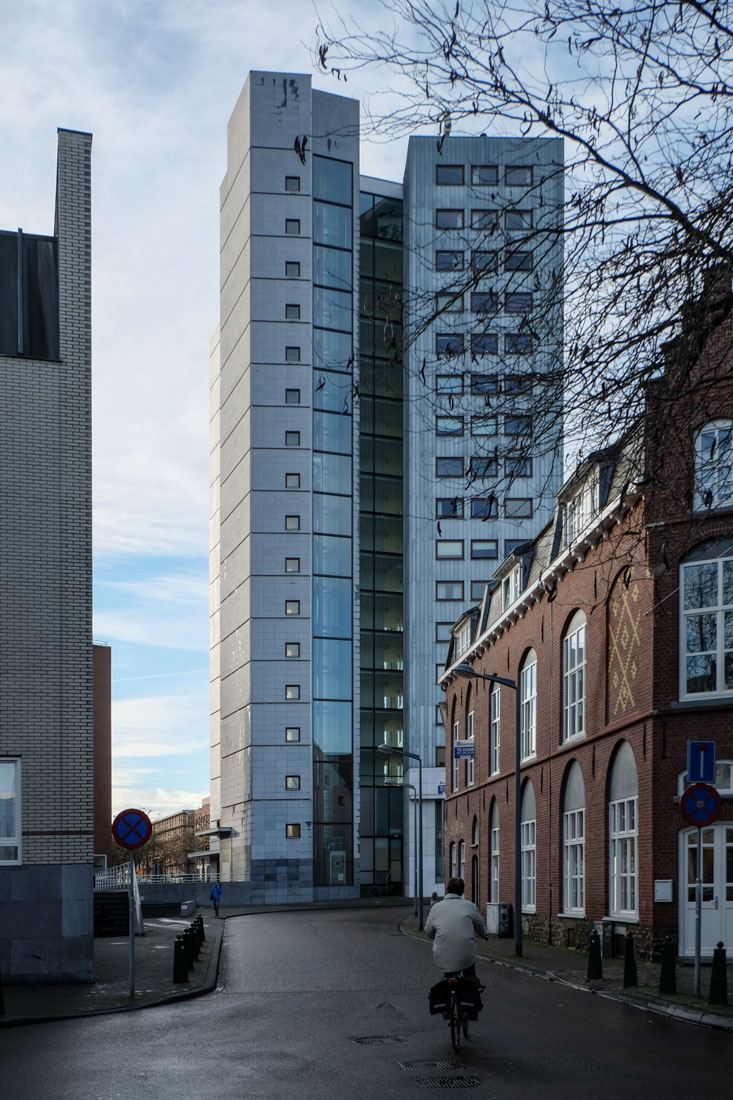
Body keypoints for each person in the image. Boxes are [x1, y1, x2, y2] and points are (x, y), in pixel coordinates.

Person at [424, 876, 487, 983]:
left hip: (442, 956)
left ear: (446, 890)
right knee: (470, 974)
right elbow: (481, 927)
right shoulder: (470, 906)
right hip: (466, 957)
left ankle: (446, 986)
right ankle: (472, 988)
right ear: (462, 892)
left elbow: (428, 932)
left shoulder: (436, 908)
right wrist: (484, 935)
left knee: (448, 969)